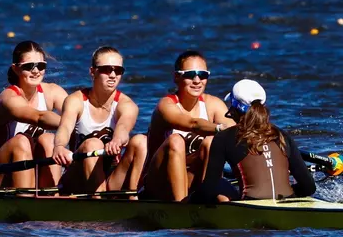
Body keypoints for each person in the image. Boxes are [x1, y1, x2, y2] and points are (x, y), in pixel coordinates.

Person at [191, 79, 315, 202]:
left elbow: (209, 187)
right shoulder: (282, 135)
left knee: (220, 183)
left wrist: (191, 201)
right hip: (288, 202)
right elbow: (309, 187)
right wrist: (288, 195)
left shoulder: (224, 137)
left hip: (250, 205)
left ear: (234, 108)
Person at [52, 46, 147, 196]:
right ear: (93, 72)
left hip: (111, 177)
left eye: (118, 70)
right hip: (78, 178)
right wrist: (59, 146)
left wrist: (116, 140)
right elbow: (64, 128)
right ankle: (99, 202)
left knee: (141, 141)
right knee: (93, 144)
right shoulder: (75, 101)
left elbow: (123, 128)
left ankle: (132, 197)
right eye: (106, 69)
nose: (113, 75)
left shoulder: (127, 105)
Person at [142, 50, 235, 202]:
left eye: (203, 75)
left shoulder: (214, 104)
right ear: (176, 77)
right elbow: (193, 124)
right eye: (190, 75)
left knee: (211, 142)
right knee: (175, 141)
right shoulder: (165, 105)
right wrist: (219, 128)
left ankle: (207, 199)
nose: (197, 80)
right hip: (159, 182)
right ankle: (181, 208)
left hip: (192, 179)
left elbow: (235, 133)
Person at [0, 41, 68, 188]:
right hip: (0, 176)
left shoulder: (52, 91)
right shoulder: (8, 98)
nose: (36, 71)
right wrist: (69, 124)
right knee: (21, 141)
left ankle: (51, 195)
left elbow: (77, 112)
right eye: (29, 66)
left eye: (41, 66)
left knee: (49, 139)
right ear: (16, 69)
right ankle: (26, 197)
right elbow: (39, 117)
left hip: (33, 171)